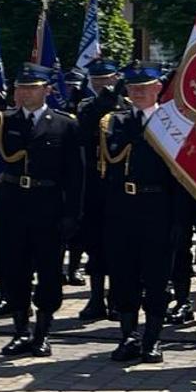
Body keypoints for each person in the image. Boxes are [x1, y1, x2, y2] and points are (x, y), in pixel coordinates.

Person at [0, 63, 85, 357]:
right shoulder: (4, 120)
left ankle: (43, 331)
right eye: (21, 88)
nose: (24, 93)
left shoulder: (64, 124)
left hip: (48, 204)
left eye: (32, 88)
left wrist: (73, 214)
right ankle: (21, 329)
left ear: (47, 90)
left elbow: (76, 174)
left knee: (49, 271)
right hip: (13, 204)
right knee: (14, 270)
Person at [98, 63, 194, 364]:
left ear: (158, 89)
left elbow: (182, 177)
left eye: (145, 86)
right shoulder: (114, 121)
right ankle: (128, 336)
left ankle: (153, 339)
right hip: (121, 209)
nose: (139, 92)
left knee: (156, 278)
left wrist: (182, 219)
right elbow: (109, 161)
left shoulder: (173, 124)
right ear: (125, 90)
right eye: (133, 87)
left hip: (159, 208)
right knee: (124, 276)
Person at [75, 60, 127, 321]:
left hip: (117, 184)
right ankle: (96, 298)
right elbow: (82, 132)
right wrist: (102, 104)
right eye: (96, 80)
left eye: (106, 79)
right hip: (94, 184)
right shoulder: (85, 105)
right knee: (94, 244)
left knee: (119, 244)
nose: (101, 84)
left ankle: (117, 299)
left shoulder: (126, 106)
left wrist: (116, 101)